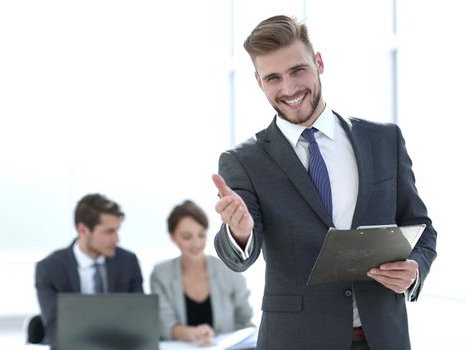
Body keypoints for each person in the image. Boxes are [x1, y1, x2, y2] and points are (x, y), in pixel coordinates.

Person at [212, 15, 437, 350]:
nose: (288, 89)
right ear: (259, 81)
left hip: (383, 337)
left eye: (297, 70)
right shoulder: (244, 161)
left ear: (318, 63)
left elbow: (420, 226)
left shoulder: (383, 140)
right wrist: (240, 232)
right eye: (273, 77)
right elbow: (240, 256)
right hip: (296, 340)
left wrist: (415, 269)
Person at [35, 193, 143, 348]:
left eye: (117, 230)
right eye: (109, 232)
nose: (117, 239)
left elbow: (139, 320)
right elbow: (56, 329)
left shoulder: (128, 262)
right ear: (83, 230)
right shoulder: (50, 268)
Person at [150, 200, 253, 345]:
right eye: (187, 237)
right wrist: (192, 333)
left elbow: (245, 321)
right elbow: (165, 324)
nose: (196, 243)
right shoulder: (161, 274)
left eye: (201, 235)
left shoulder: (229, 269)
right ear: (173, 237)